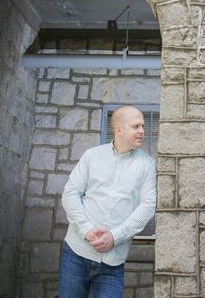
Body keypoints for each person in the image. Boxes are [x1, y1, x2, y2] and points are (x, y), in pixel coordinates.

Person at [58, 105, 156, 298]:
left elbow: (147, 206)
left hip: (113, 261)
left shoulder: (147, 163)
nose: (142, 131)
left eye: (142, 126)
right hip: (76, 253)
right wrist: (86, 230)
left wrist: (115, 236)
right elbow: (70, 194)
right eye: (136, 126)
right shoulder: (92, 156)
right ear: (118, 129)